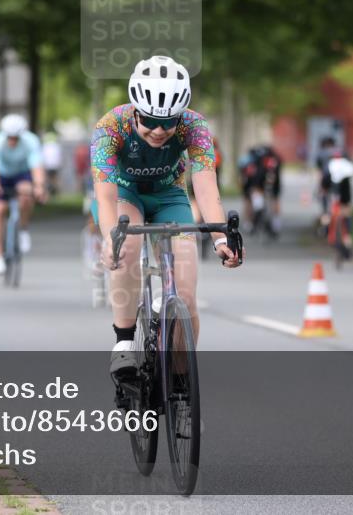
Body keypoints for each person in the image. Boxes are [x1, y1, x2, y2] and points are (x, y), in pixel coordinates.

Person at [90, 55, 243, 378]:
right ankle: (124, 341)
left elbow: (204, 185)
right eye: (149, 120)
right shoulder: (109, 128)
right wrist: (109, 240)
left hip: (169, 195)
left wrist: (219, 238)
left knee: (185, 296)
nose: (160, 130)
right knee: (127, 247)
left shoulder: (195, 125)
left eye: (169, 122)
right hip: (124, 193)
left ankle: (181, 388)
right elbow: (104, 196)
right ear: (135, 110)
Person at [0, 114, 47, 275]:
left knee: (26, 195)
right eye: (9, 138)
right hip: (3, 176)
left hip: (22, 174)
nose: (12, 141)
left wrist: (39, 186)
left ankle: (23, 228)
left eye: (16, 138)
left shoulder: (30, 141)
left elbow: (36, 167)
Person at [237, 144, 283, 235]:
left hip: (261, 184)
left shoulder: (255, 160)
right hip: (260, 184)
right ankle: (258, 221)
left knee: (259, 201)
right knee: (262, 201)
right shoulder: (273, 159)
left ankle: (258, 221)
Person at [41, 132, 63, 198]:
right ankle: (57, 193)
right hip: (55, 165)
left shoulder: (45, 146)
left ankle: (48, 193)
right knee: (55, 180)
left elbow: (43, 156)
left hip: (47, 165)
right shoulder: (56, 146)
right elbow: (59, 156)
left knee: (47, 180)